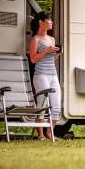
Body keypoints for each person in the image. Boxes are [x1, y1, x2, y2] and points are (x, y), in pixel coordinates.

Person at [29, 11, 61, 140]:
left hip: (53, 74)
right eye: (49, 20)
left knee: (57, 104)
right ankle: (41, 135)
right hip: (41, 75)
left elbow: (50, 59)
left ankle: (50, 133)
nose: (51, 22)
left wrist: (56, 54)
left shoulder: (51, 39)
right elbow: (33, 59)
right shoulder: (35, 39)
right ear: (41, 22)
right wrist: (47, 50)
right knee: (42, 105)